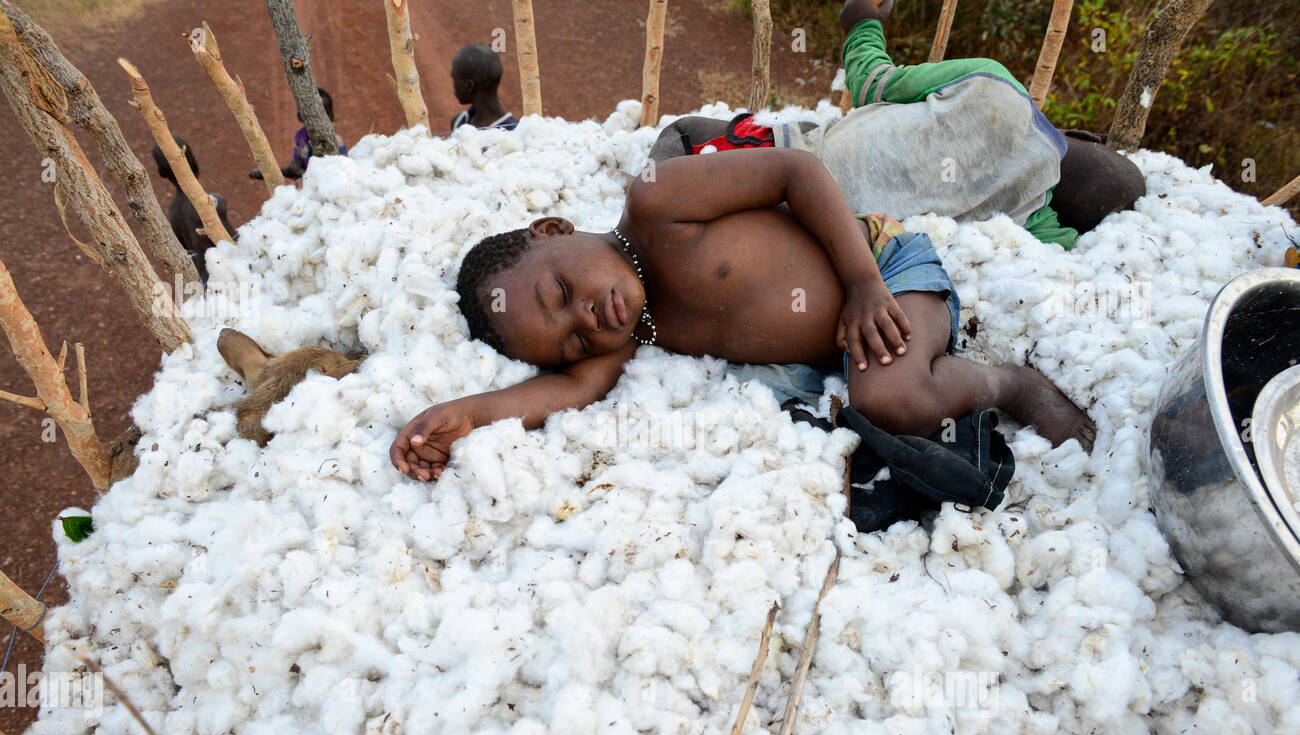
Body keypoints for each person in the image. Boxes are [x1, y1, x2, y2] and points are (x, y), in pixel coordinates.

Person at [389, 145, 1095, 483]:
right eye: (574, 339)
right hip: (829, 348)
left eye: (560, 292)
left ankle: (1011, 384)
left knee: (892, 398)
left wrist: (859, 283)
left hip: (885, 275)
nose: (590, 319)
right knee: (847, 423)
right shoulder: (630, 329)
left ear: (552, 229)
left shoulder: (657, 200)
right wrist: (469, 412)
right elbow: (569, 390)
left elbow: (801, 171)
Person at [648, 0, 1145, 249]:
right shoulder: (1031, 220)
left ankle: (645, 203)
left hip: (794, 158)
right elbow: (1060, 250)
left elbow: (870, 83)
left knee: (688, 131)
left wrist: (862, 20)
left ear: (1074, 137)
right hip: (827, 231)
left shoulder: (995, 84)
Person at [152, 136, 236, 285]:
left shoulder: (174, 209)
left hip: (204, 279)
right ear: (192, 160)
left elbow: (182, 246)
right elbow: (221, 207)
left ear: (162, 172)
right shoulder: (206, 201)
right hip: (228, 272)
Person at [250, 87, 347, 182]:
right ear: (301, 115)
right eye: (313, 115)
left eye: (324, 114)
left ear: (331, 116)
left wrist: (302, 174)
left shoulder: (336, 142)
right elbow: (296, 166)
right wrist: (268, 174)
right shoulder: (300, 136)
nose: (319, 120)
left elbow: (342, 174)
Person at [449, 44, 518, 131]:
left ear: (469, 86)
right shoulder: (458, 122)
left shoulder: (512, 133)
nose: (453, 85)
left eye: (454, 79)